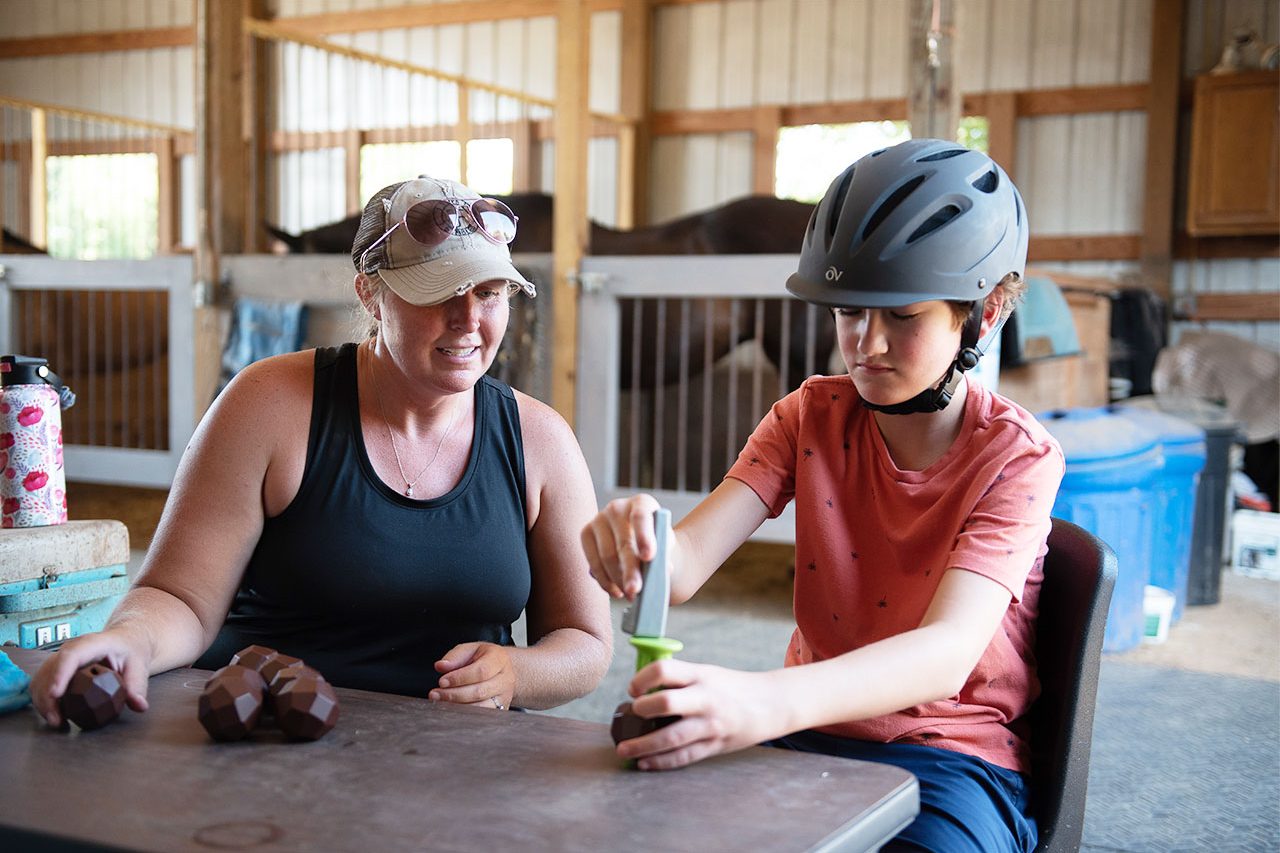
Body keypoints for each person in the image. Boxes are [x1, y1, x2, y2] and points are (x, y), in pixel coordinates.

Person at [581, 139, 1063, 853]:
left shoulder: (1015, 457)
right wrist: (642, 533)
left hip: (951, 760)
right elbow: (683, 566)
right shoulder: (809, 414)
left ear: (984, 312)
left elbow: (944, 654)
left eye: (901, 315)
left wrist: (759, 701)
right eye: (847, 312)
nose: (865, 343)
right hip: (802, 733)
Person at [33, 176, 612, 721]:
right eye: (439, 293)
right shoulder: (268, 404)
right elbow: (180, 595)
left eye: (489, 294)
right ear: (370, 293)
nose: (468, 321)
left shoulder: (540, 439)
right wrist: (128, 639)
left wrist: (516, 672)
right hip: (267, 732)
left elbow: (585, 645)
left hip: (455, 761)